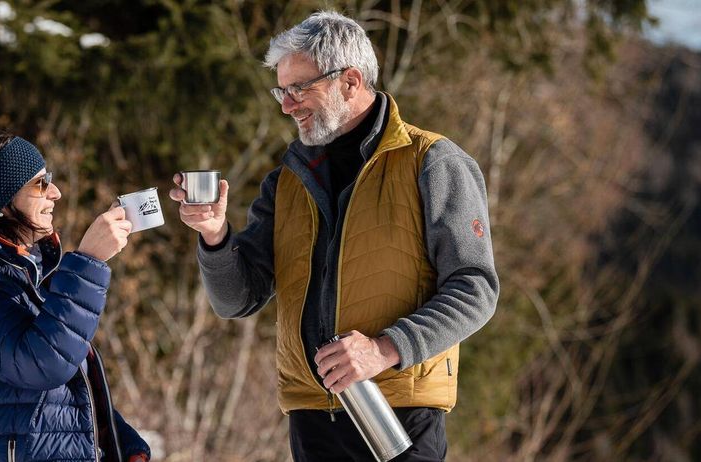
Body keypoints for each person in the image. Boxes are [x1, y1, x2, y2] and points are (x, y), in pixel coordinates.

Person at [169, 11, 498, 461]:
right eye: (281, 91)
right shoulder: (286, 181)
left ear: (350, 81)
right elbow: (236, 300)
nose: (287, 104)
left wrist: (385, 349)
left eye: (299, 88)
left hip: (399, 414)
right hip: (311, 420)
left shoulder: (433, 162)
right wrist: (214, 235)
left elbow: (475, 289)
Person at [0, 133, 150, 462]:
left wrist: (124, 445)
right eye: (40, 184)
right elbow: (41, 364)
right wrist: (89, 262)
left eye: (49, 179)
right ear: (2, 200)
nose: (55, 193)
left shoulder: (29, 272)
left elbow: (66, 388)